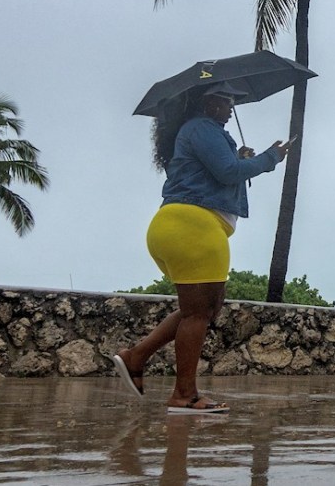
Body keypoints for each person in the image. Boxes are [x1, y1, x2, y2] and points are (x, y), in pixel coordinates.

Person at [113, 82, 289, 414]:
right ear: (206, 103)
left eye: (232, 100)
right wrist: (270, 158)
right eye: (226, 100)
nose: (231, 106)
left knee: (201, 309)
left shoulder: (192, 132)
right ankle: (184, 395)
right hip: (195, 228)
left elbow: (220, 170)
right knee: (199, 312)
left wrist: (237, 158)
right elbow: (227, 172)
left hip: (176, 226)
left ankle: (136, 356)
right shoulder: (202, 128)